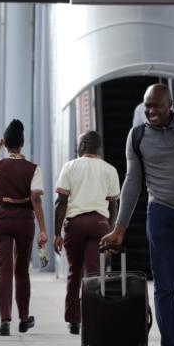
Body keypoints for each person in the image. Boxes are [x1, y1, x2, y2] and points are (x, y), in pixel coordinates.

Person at [101, 83, 174, 346]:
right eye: (147, 105)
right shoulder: (137, 136)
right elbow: (133, 182)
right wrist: (119, 227)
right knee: (163, 287)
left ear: (170, 104)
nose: (150, 111)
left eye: (156, 106)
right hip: (159, 214)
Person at [53, 131, 120, 335]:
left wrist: (57, 234)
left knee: (74, 271)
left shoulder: (70, 166)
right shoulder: (110, 170)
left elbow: (61, 203)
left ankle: (74, 320)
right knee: (93, 273)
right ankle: (92, 318)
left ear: (82, 146)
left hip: (75, 224)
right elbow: (114, 205)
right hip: (100, 224)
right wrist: (112, 231)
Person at [0, 120, 48, 336]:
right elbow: (36, 200)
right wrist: (43, 229)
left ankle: (5, 321)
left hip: (1, 220)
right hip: (23, 220)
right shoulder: (33, 169)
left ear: (6, 144)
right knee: (21, 270)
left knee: (5, 270)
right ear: (22, 144)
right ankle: (24, 319)